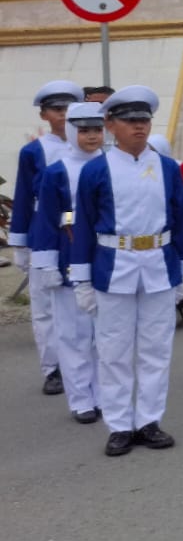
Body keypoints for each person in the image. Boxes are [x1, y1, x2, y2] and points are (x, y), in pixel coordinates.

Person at [67, 86, 183, 456]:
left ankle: (149, 420)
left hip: (158, 265)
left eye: (144, 120)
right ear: (110, 125)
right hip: (113, 267)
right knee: (114, 351)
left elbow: (178, 220)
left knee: (156, 350)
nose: (139, 127)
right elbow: (85, 227)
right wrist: (82, 280)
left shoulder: (168, 168)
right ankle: (120, 425)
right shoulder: (96, 171)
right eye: (129, 120)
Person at [27, 100, 104, 421]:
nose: (91, 136)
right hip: (66, 252)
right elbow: (45, 220)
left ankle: (103, 395)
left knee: (104, 335)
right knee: (73, 334)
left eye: (97, 129)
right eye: (83, 130)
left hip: (105, 256)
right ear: (72, 131)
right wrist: (45, 264)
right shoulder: (56, 171)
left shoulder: (112, 164)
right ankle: (81, 399)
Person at [11, 79, 84, 396]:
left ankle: (82, 363)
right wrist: (21, 242)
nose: (64, 115)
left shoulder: (87, 144)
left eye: (69, 108)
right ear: (44, 115)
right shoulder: (34, 151)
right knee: (45, 304)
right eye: (57, 109)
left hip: (79, 224)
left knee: (80, 299)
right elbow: (25, 196)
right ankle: (53, 367)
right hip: (46, 227)